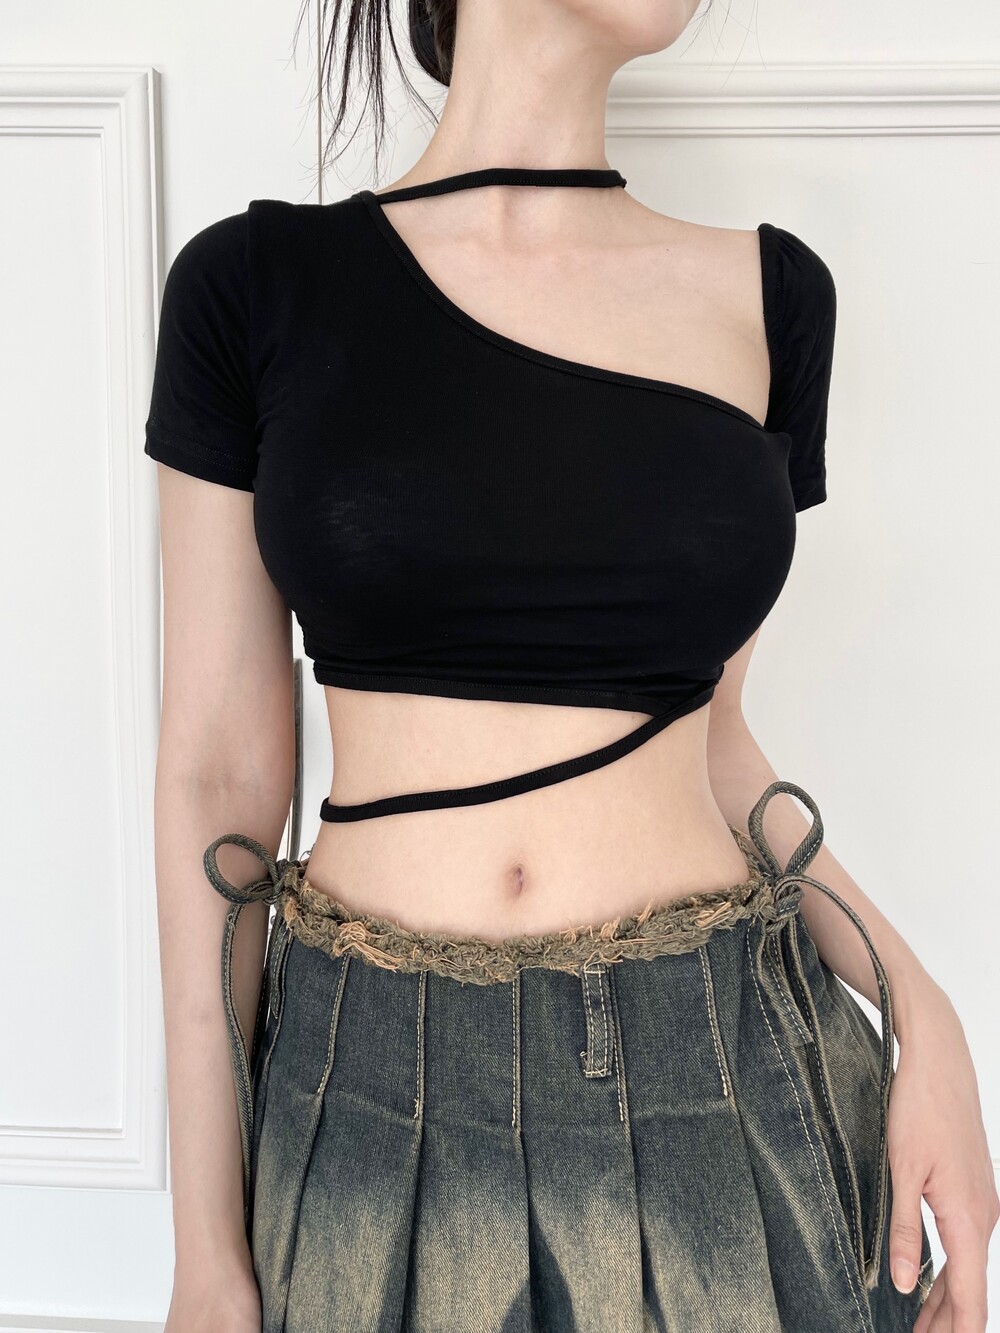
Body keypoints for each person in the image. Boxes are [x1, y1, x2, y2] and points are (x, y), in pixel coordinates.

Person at [146, 1, 998, 1330]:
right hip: (366, 1100)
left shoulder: (773, 298)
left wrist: (920, 1009)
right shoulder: (251, 288)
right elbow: (217, 785)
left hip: (724, 1073)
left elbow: (713, 745)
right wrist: (207, 1251)